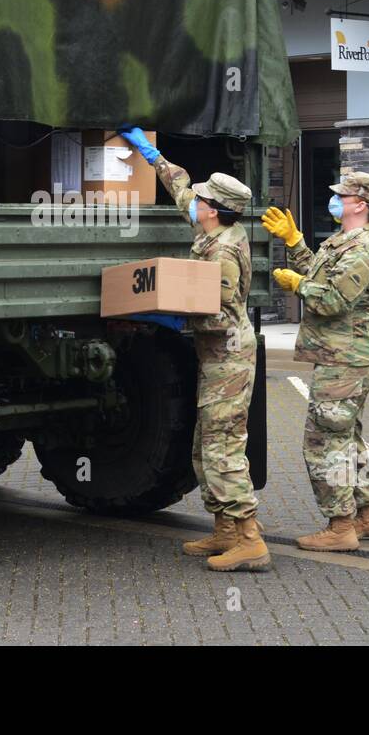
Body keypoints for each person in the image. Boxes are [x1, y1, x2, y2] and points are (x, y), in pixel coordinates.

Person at [117, 127, 269, 572]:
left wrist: (166, 316)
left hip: (228, 356)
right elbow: (181, 186)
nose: (195, 202)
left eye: (202, 200)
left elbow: (218, 313)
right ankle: (224, 530)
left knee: (223, 446)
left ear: (213, 210)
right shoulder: (215, 226)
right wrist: (151, 154)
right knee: (205, 445)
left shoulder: (222, 250)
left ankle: (249, 538)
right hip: (216, 357)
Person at [262, 172, 369, 551]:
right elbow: (322, 272)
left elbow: (332, 300)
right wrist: (294, 241)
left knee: (323, 443)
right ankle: (368, 516)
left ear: (360, 204)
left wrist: (297, 285)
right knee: (346, 437)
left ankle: (339, 527)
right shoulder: (344, 243)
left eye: (342, 195)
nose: (334, 200)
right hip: (343, 357)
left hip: (344, 360)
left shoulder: (363, 250)